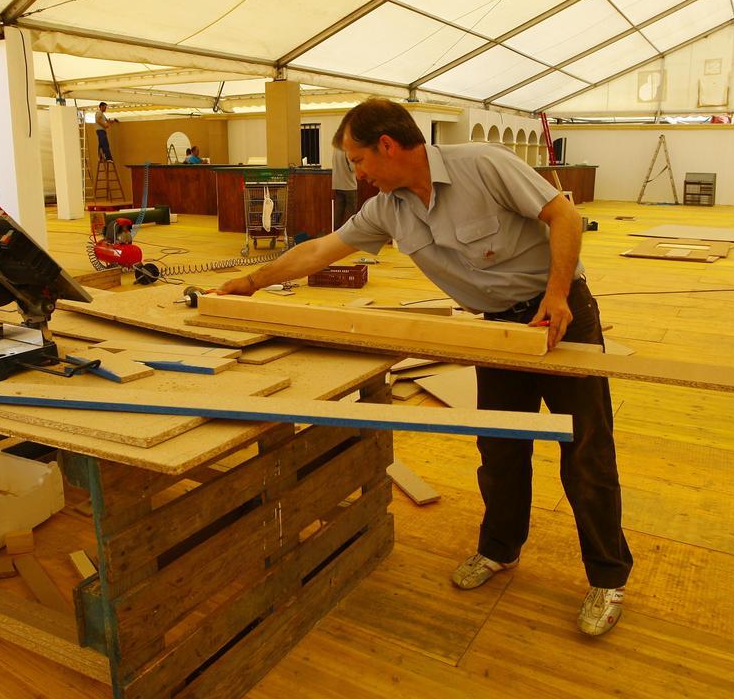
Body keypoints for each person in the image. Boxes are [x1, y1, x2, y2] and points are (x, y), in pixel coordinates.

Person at [217, 99, 631, 636]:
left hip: (560, 316)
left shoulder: (483, 163)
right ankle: (499, 548)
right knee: (501, 446)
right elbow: (320, 250)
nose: (358, 174)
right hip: (497, 330)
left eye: (358, 160)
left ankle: (607, 576)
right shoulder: (387, 209)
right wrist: (251, 283)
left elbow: (564, 215)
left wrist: (556, 295)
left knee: (585, 450)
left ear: (387, 146)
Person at [330, 130, 359, 230]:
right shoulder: (347, 149)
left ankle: (336, 235)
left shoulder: (336, 149)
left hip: (337, 185)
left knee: (338, 212)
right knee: (351, 212)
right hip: (349, 185)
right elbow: (352, 167)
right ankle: (349, 234)